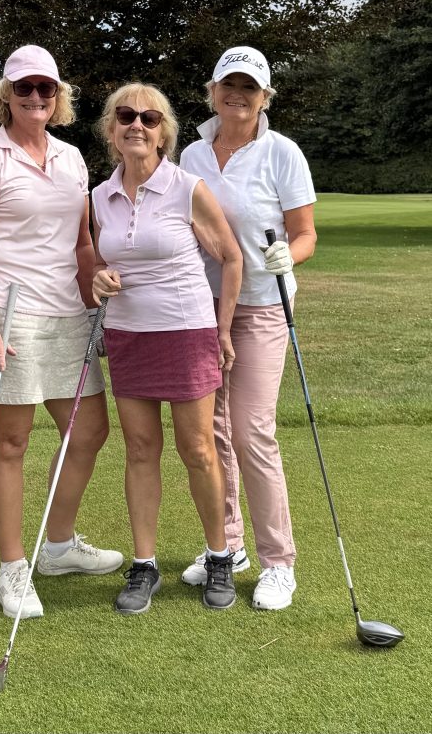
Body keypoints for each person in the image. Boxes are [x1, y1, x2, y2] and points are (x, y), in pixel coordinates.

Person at [0, 44, 123, 620]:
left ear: (58, 95)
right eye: (23, 87)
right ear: (5, 95)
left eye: (45, 88)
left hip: (69, 314)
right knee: (9, 443)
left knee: (89, 431)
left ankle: (58, 547)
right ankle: (11, 568)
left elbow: (81, 243)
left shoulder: (72, 158)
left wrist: (94, 293)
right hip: (10, 313)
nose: (34, 97)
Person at [91, 83, 243, 615]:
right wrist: (99, 276)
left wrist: (223, 330)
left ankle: (220, 556)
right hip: (128, 334)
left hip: (185, 330)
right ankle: (144, 564)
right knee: (139, 449)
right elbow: (101, 259)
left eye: (149, 118)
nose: (137, 124)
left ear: (163, 134)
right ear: (111, 130)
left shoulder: (186, 187)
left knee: (197, 448)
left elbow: (231, 256)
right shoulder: (99, 195)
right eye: (125, 116)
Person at [179, 46, 317, 610]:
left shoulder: (282, 152)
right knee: (212, 431)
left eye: (249, 87)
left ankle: (278, 562)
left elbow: (305, 234)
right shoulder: (192, 154)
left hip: (261, 306)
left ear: (264, 98)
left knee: (251, 430)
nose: (237, 95)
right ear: (213, 92)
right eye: (228, 85)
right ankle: (228, 546)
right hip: (201, 306)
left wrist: (289, 255)